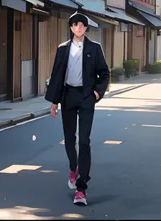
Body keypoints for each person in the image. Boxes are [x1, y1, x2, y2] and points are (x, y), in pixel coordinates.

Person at [44, 12, 110, 206]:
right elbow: (56, 77)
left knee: (84, 141)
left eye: (82, 25)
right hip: (68, 96)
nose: (79, 27)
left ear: (86, 28)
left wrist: (97, 93)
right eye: (75, 24)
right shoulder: (63, 49)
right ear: (71, 27)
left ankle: (81, 188)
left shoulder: (95, 48)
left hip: (87, 96)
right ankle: (74, 167)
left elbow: (104, 74)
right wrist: (54, 102)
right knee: (69, 138)